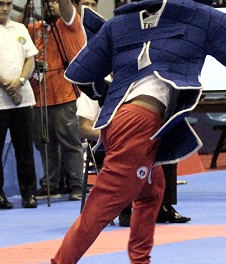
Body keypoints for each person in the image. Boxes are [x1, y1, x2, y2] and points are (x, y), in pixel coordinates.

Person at [25, 0, 226, 264]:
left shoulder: (120, 25)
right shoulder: (195, 14)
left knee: (153, 189)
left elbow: (80, 73)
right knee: (105, 202)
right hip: (140, 122)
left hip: (119, 117)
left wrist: (112, 85)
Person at [76, 92, 191, 226]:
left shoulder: (134, 87)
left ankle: (164, 206)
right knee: (131, 154)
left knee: (164, 151)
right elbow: (84, 128)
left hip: (135, 142)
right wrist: (115, 136)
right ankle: (125, 212)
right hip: (105, 146)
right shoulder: (93, 91)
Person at [25, 0, 87, 201]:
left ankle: (76, 184)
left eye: (53, 1)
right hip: (39, 95)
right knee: (44, 143)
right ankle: (50, 183)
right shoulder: (35, 28)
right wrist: (31, 4)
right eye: (46, 1)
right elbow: (19, 29)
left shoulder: (69, 24)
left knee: (70, 141)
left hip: (64, 94)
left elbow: (64, 2)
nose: (50, 4)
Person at [0, 0, 39, 209]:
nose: (6, 8)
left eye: (9, 4)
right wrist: (8, 87)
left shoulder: (20, 28)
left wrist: (20, 81)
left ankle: (29, 193)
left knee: (25, 148)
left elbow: (31, 59)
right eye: (1, 4)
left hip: (23, 98)